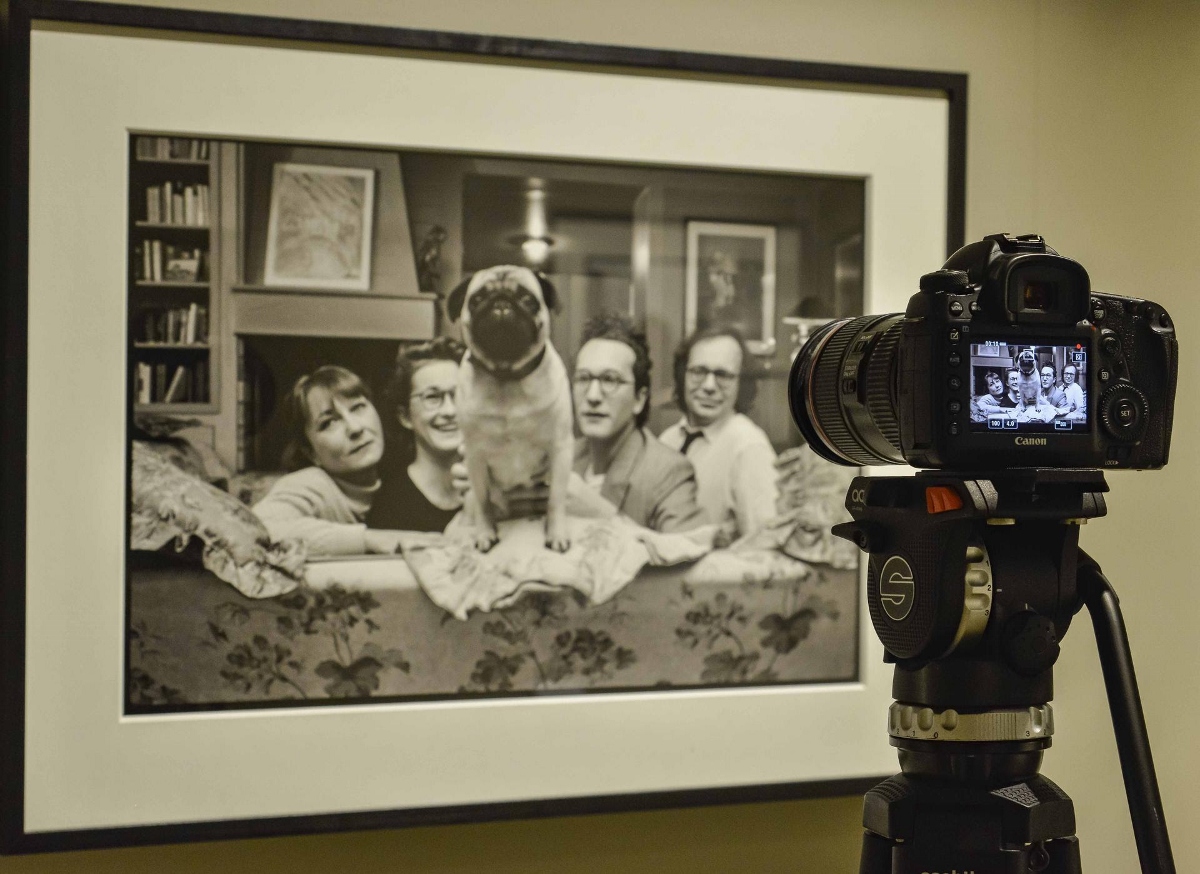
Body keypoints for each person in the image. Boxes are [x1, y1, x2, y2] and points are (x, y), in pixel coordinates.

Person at [571, 313, 705, 533]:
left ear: (639, 399)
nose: (593, 396)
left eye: (610, 380)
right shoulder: (563, 460)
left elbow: (687, 557)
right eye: (584, 379)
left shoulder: (669, 473)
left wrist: (597, 511)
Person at [253, 366, 402, 556]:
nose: (355, 428)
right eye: (329, 423)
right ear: (310, 452)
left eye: (358, 407)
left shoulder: (400, 474)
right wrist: (368, 539)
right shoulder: (312, 484)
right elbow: (258, 531)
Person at [659, 325, 777, 539]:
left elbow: (764, 544)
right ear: (682, 375)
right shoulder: (668, 440)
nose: (709, 386)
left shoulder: (749, 447)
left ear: (741, 383)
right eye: (699, 372)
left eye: (723, 375)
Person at [367, 337, 467, 533]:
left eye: (460, 395)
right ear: (405, 416)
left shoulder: (494, 489)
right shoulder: (390, 506)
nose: (449, 411)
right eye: (432, 397)